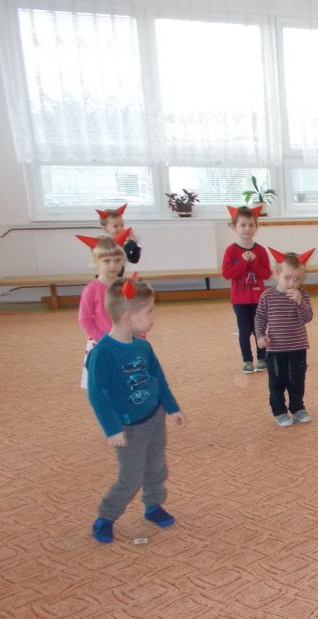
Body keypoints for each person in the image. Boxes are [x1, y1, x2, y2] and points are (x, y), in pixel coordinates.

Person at [86, 276, 185, 544]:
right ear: (128, 317)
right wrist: (112, 428)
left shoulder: (143, 346)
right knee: (130, 477)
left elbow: (158, 378)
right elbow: (97, 394)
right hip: (128, 427)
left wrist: (171, 407)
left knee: (156, 467)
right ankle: (106, 516)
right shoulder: (102, 353)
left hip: (154, 417)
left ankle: (153, 505)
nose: (153, 317)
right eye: (149, 312)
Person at [255, 248, 315, 427]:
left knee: (297, 381)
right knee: (277, 382)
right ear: (276, 274)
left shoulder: (302, 295)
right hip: (275, 349)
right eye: (287, 277)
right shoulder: (267, 296)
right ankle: (280, 411)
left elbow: (307, 318)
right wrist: (260, 336)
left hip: (298, 348)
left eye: (297, 279)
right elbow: (260, 318)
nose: (292, 283)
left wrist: (299, 302)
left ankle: (297, 408)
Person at [221, 205, 271, 374]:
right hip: (240, 300)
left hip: (259, 299)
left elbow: (266, 274)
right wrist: (243, 262)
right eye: (243, 225)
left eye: (251, 225)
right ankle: (247, 360)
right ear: (234, 227)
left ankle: (262, 358)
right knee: (244, 331)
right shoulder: (231, 251)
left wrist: (254, 262)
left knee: (259, 330)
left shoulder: (260, 250)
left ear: (256, 226)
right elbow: (227, 274)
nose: (247, 228)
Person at [76, 234, 130, 389]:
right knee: (103, 383)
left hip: (126, 341)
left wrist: (138, 335)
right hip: (102, 343)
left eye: (117, 260)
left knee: (126, 381)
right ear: (96, 262)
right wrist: (103, 339)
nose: (113, 265)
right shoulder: (91, 289)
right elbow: (85, 319)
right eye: (107, 261)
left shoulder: (126, 286)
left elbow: (134, 312)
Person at [96, 203, 141, 269]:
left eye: (122, 225)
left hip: (118, 273)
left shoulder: (125, 243)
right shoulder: (104, 243)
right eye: (115, 226)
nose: (120, 228)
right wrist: (132, 242)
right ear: (105, 228)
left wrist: (135, 245)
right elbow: (118, 253)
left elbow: (134, 260)